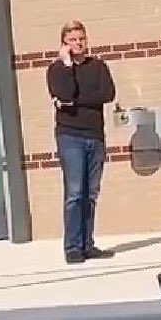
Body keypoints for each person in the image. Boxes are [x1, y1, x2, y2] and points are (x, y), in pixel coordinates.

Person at [46, 20, 116, 264]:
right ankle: (73, 247)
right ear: (64, 44)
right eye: (73, 40)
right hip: (70, 136)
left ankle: (88, 245)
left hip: (95, 135)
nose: (78, 43)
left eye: (81, 39)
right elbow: (64, 93)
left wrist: (74, 102)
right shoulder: (56, 69)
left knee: (91, 193)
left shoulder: (98, 66)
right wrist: (67, 65)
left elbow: (107, 94)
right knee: (75, 193)